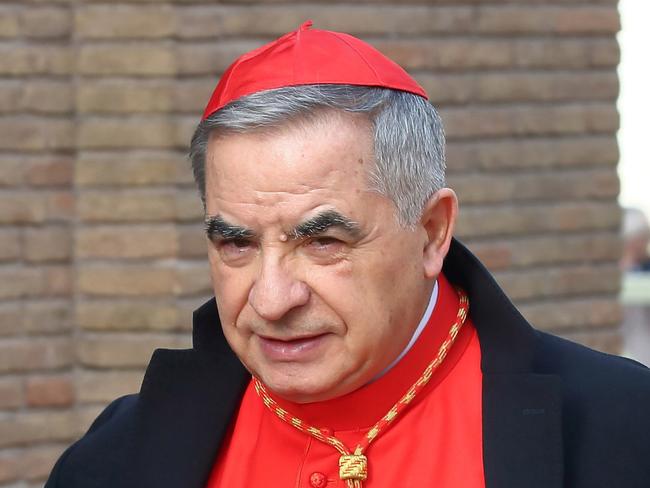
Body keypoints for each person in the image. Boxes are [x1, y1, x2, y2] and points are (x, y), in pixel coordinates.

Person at [46, 21, 650, 488]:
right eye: (237, 243)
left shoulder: (621, 428)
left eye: (322, 242)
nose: (271, 299)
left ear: (433, 231)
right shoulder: (119, 454)